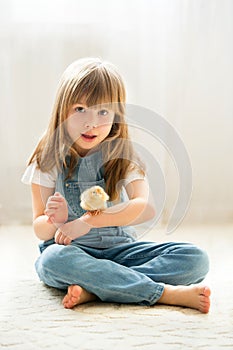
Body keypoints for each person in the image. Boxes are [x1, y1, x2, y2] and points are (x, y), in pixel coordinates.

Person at [22, 57, 211, 313]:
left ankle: (97, 287)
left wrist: (87, 221)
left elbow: (144, 208)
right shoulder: (49, 156)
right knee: (51, 261)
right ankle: (162, 293)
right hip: (72, 252)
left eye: (103, 112)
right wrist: (56, 221)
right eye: (80, 109)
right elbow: (39, 229)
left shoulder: (122, 152)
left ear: (116, 115)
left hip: (122, 249)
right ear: (62, 110)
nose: (92, 122)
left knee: (195, 260)